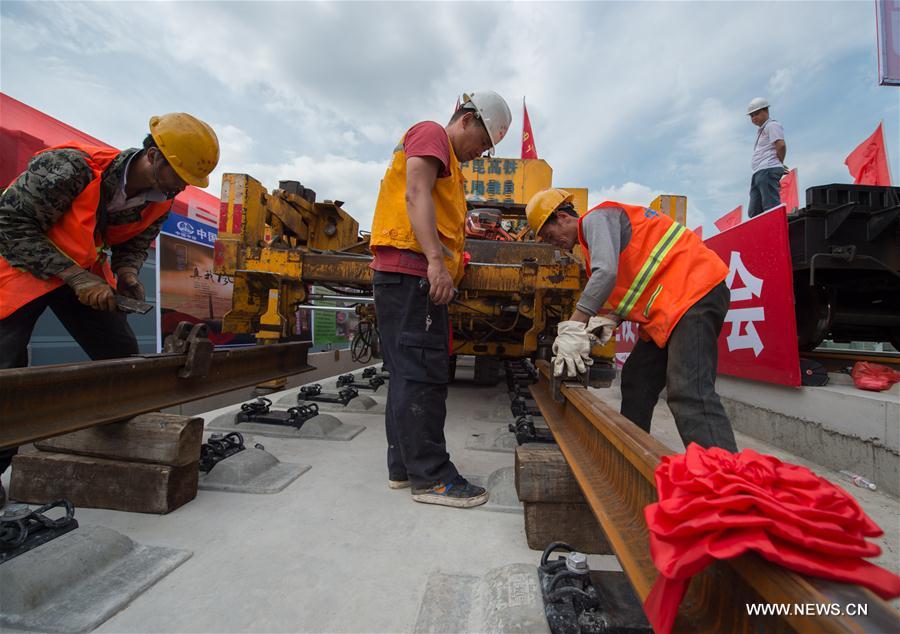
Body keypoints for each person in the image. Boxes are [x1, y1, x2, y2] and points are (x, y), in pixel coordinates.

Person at [0, 112, 220, 492]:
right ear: (152, 156)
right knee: (6, 367)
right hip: (22, 266)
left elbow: (132, 244)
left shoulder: (160, 200)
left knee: (119, 351)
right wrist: (76, 277)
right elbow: (8, 224)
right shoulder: (70, 168)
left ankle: (116, 436)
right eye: (178, 175)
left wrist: (128, 273)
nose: (182, 187)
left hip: (80, 274)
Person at [369, 91, 511, 507]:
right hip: (413, 274)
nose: (479, 153)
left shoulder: (446, 159)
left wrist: (452, 257)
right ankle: (431, 478)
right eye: (482, 143)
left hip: (402, 275)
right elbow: (416, 194)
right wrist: (435, 262)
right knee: (423, 375)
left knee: (405, 372)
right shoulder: (432, 135)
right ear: (466, 119)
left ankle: (404, 468)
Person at [525, 189, 738, 452]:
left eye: (549, 235)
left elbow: (607, 274)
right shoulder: (594, 243)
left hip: (694, 293)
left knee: (689, 393)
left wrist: (575, 326)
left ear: (561, 217)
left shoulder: (596, 219)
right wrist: (612, 319)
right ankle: (633, 455)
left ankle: (728, 481)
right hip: (672, 307)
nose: (552, 242)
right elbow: (638, 279)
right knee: (638, 379)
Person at [747, 97, 787, 218]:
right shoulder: (763, 129)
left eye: (756, 114)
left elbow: (781, 145)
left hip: (767, 169)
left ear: (766, 111)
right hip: (759, 172)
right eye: (751, 116)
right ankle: (762, 234)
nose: (754, 118)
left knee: (771, 206)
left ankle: (775, 232)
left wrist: (778, 162)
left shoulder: (772, 125)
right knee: (754, 212)